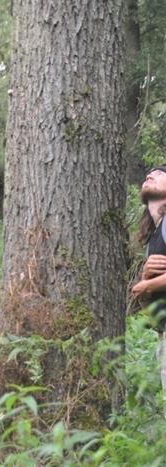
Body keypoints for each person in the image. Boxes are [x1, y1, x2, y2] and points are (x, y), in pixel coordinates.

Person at [131, 165, 166, 402]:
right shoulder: (154, 237)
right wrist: (145, 283)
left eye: (161, 174)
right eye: (149, 173)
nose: (150, 174)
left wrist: (146, 286)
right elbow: (153, 316)